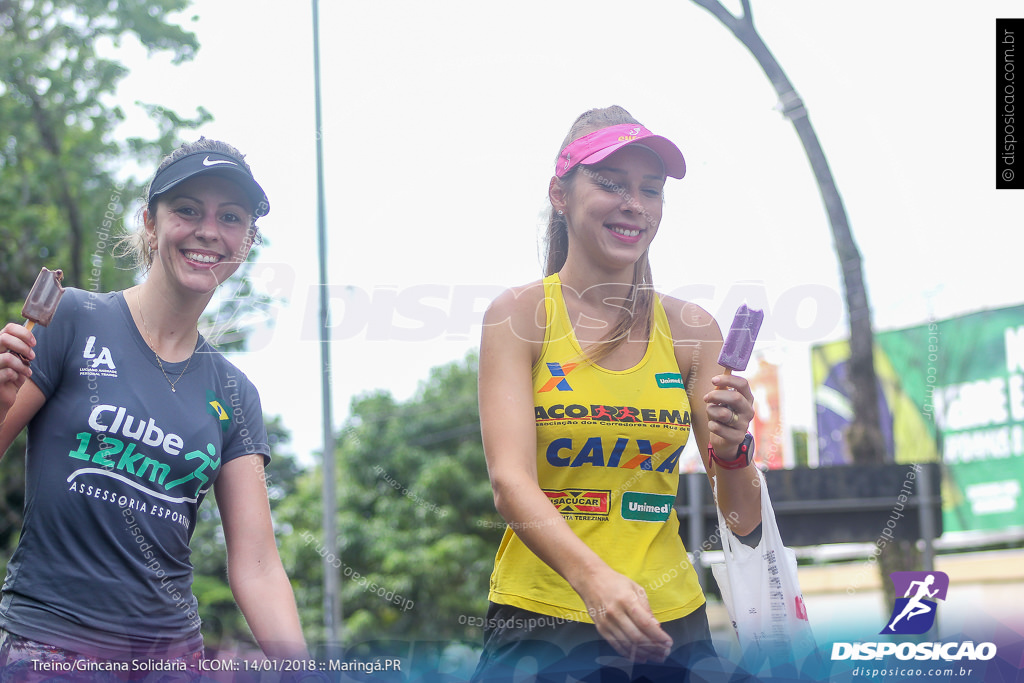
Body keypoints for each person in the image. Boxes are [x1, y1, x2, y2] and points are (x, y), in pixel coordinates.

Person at [473, 107, 763, 682]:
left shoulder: (692, 330)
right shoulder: (520, 314)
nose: (635, 204)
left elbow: (742, 516)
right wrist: (596, 582)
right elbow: (510, 484)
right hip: (545, 618)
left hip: (670, 623)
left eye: (650, 190)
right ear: (560, 194)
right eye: (610, 183)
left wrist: (734, 449)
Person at [0, 138, 308, 679]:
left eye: (230, 217)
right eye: (187, 210)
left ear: (246, 241)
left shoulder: (235, 393)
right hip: (46, 649)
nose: (208, 230)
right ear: (150, 221)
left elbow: (258, 566)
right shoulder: (68, 320)